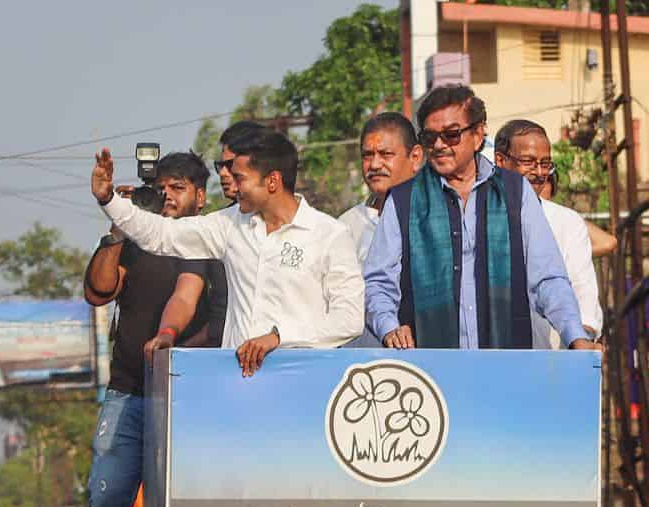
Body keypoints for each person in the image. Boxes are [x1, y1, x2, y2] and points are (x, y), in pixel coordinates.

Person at [91, 129, 364, 377]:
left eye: (240, 177)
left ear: (272, 181)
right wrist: (109, 200)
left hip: (302, 384)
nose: (230, 184)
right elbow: (162, 235)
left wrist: (279, 337)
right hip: (236, 387)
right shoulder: (229, 224)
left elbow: (349, 320)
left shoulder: (330, 235)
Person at [83, 151, 226, 507]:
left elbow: (215, 316)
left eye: (179, 187)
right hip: (129, 393)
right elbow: (98, 291)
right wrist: (117, 228)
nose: (167, 195)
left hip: (191, 399)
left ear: (200, 197)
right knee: (105, 498)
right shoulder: (138, 240)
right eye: (162, 186)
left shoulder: (216, 244)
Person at [363, 84, 598, 351]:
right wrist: (389, 327)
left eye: (451, 135)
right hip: (429, 372)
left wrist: (575, 336)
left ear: (477, 135)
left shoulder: (514, 192)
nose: (439, 145)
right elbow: (379, 282)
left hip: (506, 365)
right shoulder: (404, 200)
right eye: (430, 137)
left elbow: (547, 277)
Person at [494, 119, 603, 346]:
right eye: (529, 162)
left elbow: (583, 290)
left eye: (545, 164)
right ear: (500, 161)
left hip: (553, 357)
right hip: (493, 354)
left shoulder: (566, 222)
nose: (539, 172)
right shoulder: (481, 216)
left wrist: (580, 338)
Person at [340, 112, 424, 264]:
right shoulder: (346, 227)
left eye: (386, 154)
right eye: (367, 155)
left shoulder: (437, 216)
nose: (374, 165)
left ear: (415, 157)